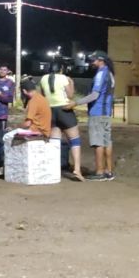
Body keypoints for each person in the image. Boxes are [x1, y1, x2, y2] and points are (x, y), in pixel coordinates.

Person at [40, 61, 86, 181]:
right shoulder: (63, 78)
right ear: (61, 69)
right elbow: (70, 95)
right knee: (75, 141)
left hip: (51, 111)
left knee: (55, 142)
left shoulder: (43, 78)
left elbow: (43, 95)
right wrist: (71, 82)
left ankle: (53, 169)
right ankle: (77, 169)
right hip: (64, 110)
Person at [76, 51, 116, 181]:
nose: (91, 63)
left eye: (93, 60)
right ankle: (109, 171)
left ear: (101, 60)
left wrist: (75, 103)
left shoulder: (101, 73)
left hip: (97, 112)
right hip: (106, 112)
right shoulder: (110, 73)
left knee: (98, 143)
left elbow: (94, 95)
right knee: (107, 142)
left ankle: (99, 172)